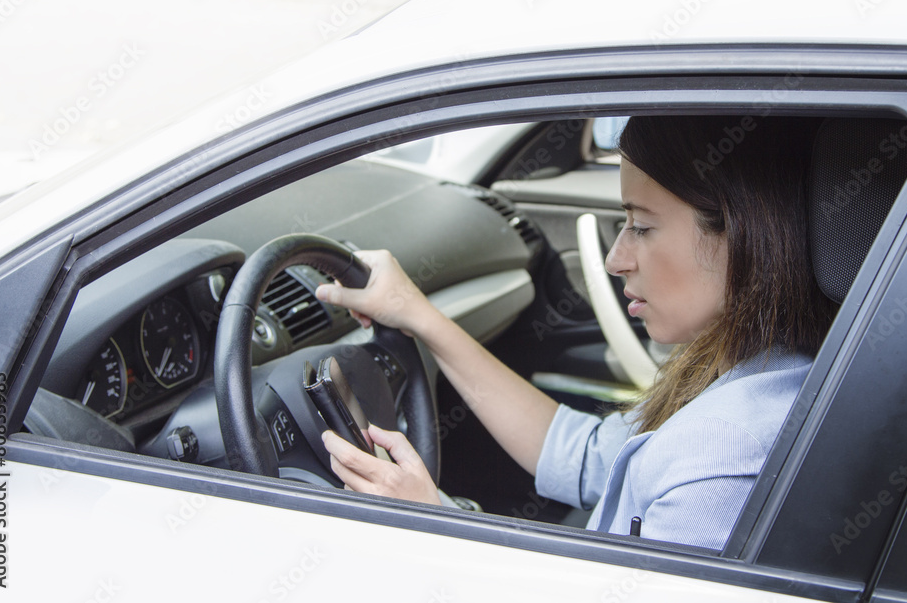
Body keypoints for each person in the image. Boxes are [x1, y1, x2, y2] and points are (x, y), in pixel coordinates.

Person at [315, 115, 837, 550]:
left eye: (642, 226)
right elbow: (586, 456)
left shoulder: (722, 458)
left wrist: (431, 521)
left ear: (743, 232)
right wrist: (415, 313)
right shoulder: (761, 366)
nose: (616, 259)